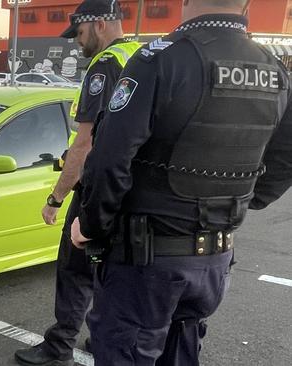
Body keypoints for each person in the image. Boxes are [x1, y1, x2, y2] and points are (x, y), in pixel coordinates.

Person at [71, 0, 292, 364]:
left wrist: (92, 225)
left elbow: (109, 157)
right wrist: (241, 199)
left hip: (147, 264)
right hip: (214, 262)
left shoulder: (159, 59)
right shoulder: (273, 70)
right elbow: (284, 159)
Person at [14, 1, 141, 365]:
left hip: (99, 189)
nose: (76, 42)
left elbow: (84, 146)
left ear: (100, 24)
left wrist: (55, 199)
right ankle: (101, 339)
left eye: (80, 33)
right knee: (113, 272)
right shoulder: (142, 54)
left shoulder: (103, 65)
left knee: (75, 269)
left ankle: (58, 348)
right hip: (134, 189)